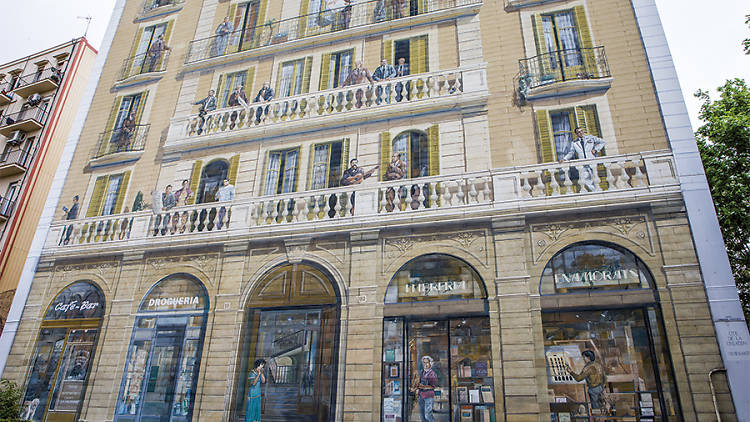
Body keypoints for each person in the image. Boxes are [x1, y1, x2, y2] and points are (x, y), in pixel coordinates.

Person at [559, 127, 606, 192]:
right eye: (579, 132)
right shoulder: (575, 142)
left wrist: (596, 149)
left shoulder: (590, 138)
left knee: (595, 176)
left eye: (581, 131)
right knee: (586, 178)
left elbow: (603, 142)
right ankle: (594, 191)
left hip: (591, 160)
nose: (581, 133)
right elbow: (571, 152)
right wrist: (565, 159)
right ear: (576, 134)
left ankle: (597, 190)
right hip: (583, 163)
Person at [411, 355, 437, 422]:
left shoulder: (432, 374)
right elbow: (419, 383)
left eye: (427, 362)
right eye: (424, 363)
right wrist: (415, 388)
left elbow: (433, 386)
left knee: (428, 415)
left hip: (428, 396)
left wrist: (424, 387)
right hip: (421, 396)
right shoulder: (422, 372)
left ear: (430, 363)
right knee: (422, 416)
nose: (425, 364)